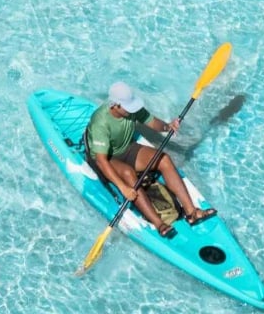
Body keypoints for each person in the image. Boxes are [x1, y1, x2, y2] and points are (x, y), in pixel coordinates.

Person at [84, 81, 217, 237]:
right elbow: (101, 160)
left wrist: (168, 126)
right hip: (105, 158)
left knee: (163, 159)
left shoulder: (130, 109)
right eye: (128, 106)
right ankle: (159, 223)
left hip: (127, 148)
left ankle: (191, 212)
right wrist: (123, 188)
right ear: (115, 105)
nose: (132, 109)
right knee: (127, 173)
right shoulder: (100, 122)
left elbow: (152, 121)